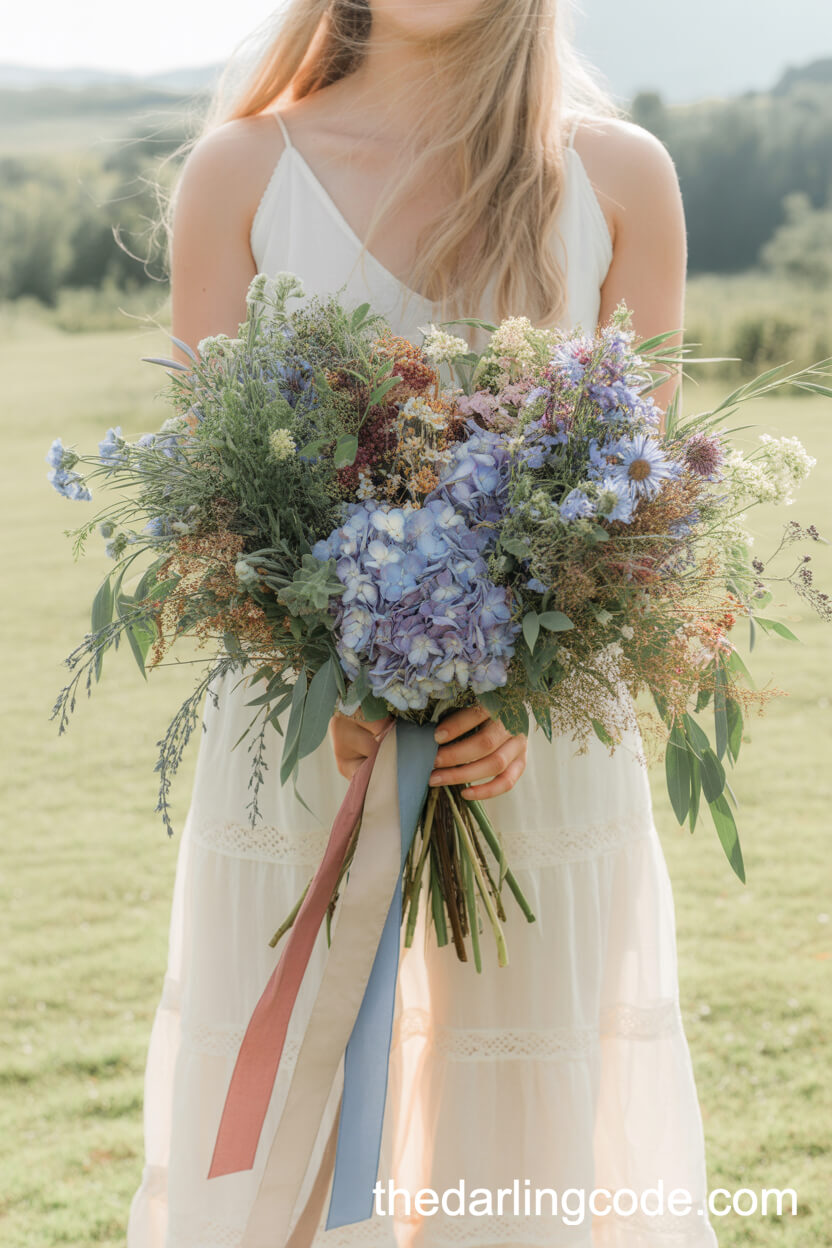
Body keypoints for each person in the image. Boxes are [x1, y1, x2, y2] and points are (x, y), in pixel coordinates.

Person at [128, 2, 718, 1245]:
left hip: (537, 756)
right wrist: (332, 689)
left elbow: (641, 506)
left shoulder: (618, 176)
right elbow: (208, 507)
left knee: (524, 1150)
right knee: (278, 1132)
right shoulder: (241, 172)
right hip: (301, 748)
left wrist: (511, 704)